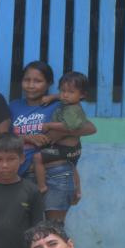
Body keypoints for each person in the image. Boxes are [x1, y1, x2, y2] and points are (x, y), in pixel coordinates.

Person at [33, 71, 96, 224]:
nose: (64, 95)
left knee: (37, 158)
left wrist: (48, 125)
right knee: (72, 166)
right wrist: (51, 97)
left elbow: (69, 126)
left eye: (70, 92)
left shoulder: (72, 109)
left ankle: (41, 187)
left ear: (82, 95)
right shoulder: (68, 101)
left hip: (65, 150)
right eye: (62, 91)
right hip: (70, 151)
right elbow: (62, 96)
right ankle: (78, 190)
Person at [8, 60, 60, 177]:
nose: (31, 85)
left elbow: (73, 131)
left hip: (49, 173)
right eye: (27, 80)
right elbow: (5, 138)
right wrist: (27, 138)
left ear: (49, 83)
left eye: (38, 81)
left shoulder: (57, 106)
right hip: (17, 172)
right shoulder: (13, 106)